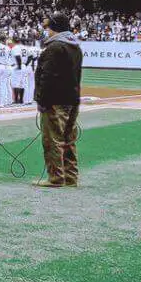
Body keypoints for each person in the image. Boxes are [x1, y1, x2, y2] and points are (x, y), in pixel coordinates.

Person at [35, 13, 83, 187]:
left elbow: (47, 77)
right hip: (72, 99)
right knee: (69, 139)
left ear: (54, 28)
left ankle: (55, 177)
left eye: (48, 27)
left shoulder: (55, 47)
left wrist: (41, 100)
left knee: (52, 139)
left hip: (55, 100)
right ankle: (71, 177)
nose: (46, 31)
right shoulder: (75, 47)